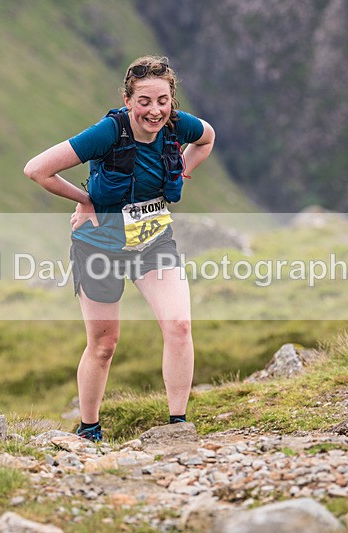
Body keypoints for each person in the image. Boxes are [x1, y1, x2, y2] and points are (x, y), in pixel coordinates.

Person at [23, 55, 215, 442]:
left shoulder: (178, 125)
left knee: (179, 326)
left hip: (153, 243)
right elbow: (37, 169)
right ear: (128, 100)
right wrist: (86, 199)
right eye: (144, 101)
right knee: (104, 345)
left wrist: (183, 166)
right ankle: (89, 429)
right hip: (99, 246)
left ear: (171, 99)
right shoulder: (107, 133)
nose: (154, 110)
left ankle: (178, 426)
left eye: (162, 100)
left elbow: (208, 137)